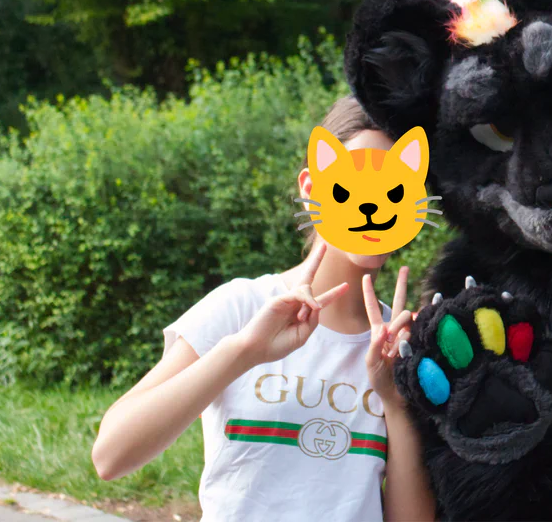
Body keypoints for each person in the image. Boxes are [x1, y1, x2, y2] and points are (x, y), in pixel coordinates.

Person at [92, 96, 436, 522]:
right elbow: (110, 456)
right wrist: (244, 352)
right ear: (313, 189)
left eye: (394, 190)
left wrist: (396, 402)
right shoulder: (242, 307)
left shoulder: (402, 343)